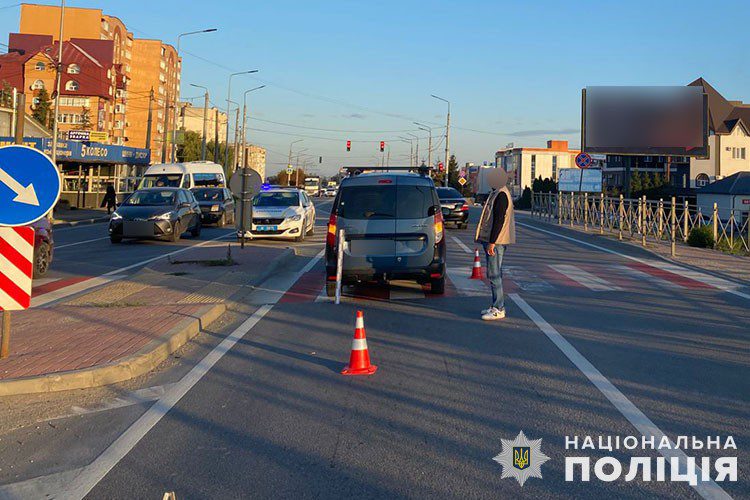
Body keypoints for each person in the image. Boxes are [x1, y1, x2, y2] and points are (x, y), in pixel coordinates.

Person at [474, 168, 515, 321]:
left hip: (496, 242)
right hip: (495, 241)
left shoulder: (501, 195)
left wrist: (492, 242)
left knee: (494, 274)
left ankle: (498, 308)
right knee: (495, 273)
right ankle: (496, 305)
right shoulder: (498, 192)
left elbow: (499, 220)